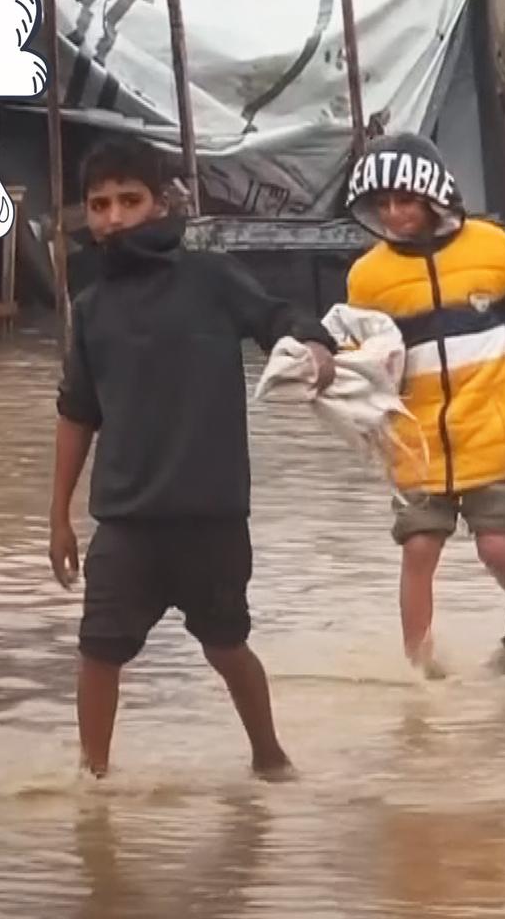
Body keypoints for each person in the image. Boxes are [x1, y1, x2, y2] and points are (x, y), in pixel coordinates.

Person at [48, 138, 335, 780]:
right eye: (99, 204)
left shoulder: (210, 280)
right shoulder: (90, 309)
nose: (113, 217)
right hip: (125, 521)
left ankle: (271, 760)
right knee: (98, 651)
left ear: (160, 205)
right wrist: (58, 517)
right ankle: (93, 788)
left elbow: (277, 317)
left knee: (226, 646)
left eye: (129, 200)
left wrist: (314, 345)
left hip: (211, 517)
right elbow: (77, 414)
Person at [342, 132, 505, 675]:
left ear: (434, 196)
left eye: (405, 200)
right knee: (418, 549)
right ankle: (419, 671)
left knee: (494, 547)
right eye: (382, 203)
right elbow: (362, 360)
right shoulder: (367, 277)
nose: (393, 214)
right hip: (415, 444)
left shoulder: (492, 249)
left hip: (491, 434)